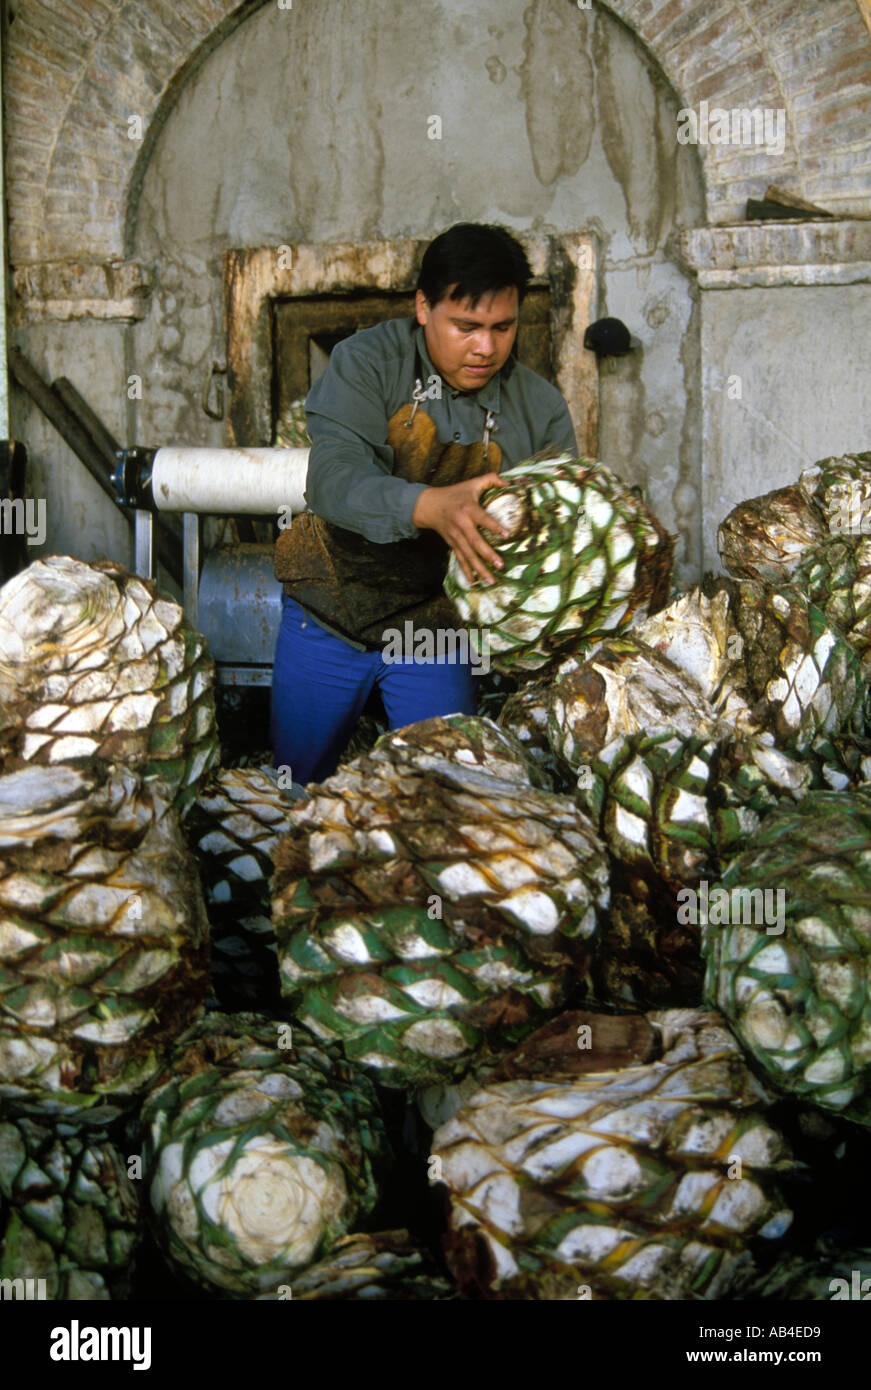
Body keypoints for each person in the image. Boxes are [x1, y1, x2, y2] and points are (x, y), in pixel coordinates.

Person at [271, 222, 578, 784]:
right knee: (295, 787)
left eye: (502, 327)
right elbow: (334, 480)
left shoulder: (539, 407)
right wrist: (430, 506)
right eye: (466, 326)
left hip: (436, 629)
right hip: (332, 609)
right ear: (423, 306)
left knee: (443, 795)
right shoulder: (366, 363)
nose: (486, 347)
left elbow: (562, 524)